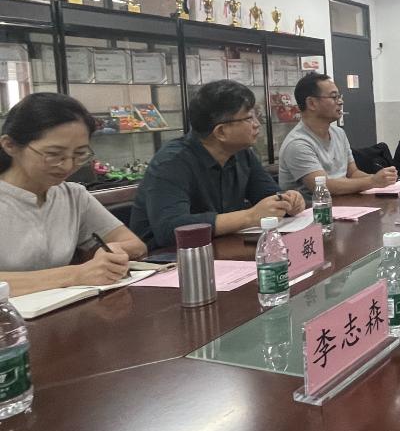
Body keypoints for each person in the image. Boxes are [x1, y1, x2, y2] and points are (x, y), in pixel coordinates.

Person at [130, 80, 306, 249]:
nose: (257, 124)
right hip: (165, 259)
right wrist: (249, 216)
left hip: (222, 246)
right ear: (221, 131)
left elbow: (267, 196)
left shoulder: (242, 153)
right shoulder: (171, 162)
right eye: (249, 118)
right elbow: (170, 229)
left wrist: (288, 201)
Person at [0, 93, 146, 296]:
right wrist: (75, 274)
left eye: (79, 154)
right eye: (53, 154)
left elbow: (136, 245)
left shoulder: (72, 195)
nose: (68, 166)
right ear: (10, 145)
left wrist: (113, 251)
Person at [278, 73, 397, 196]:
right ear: (312, 103)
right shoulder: (297, 144)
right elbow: (323, 187)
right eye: (334, 97)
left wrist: (382, 180)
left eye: (339, 97)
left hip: (345, 201)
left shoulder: (339, 133)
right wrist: (372, 181)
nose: (340, 102)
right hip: (315, 206)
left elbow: (353, 173)